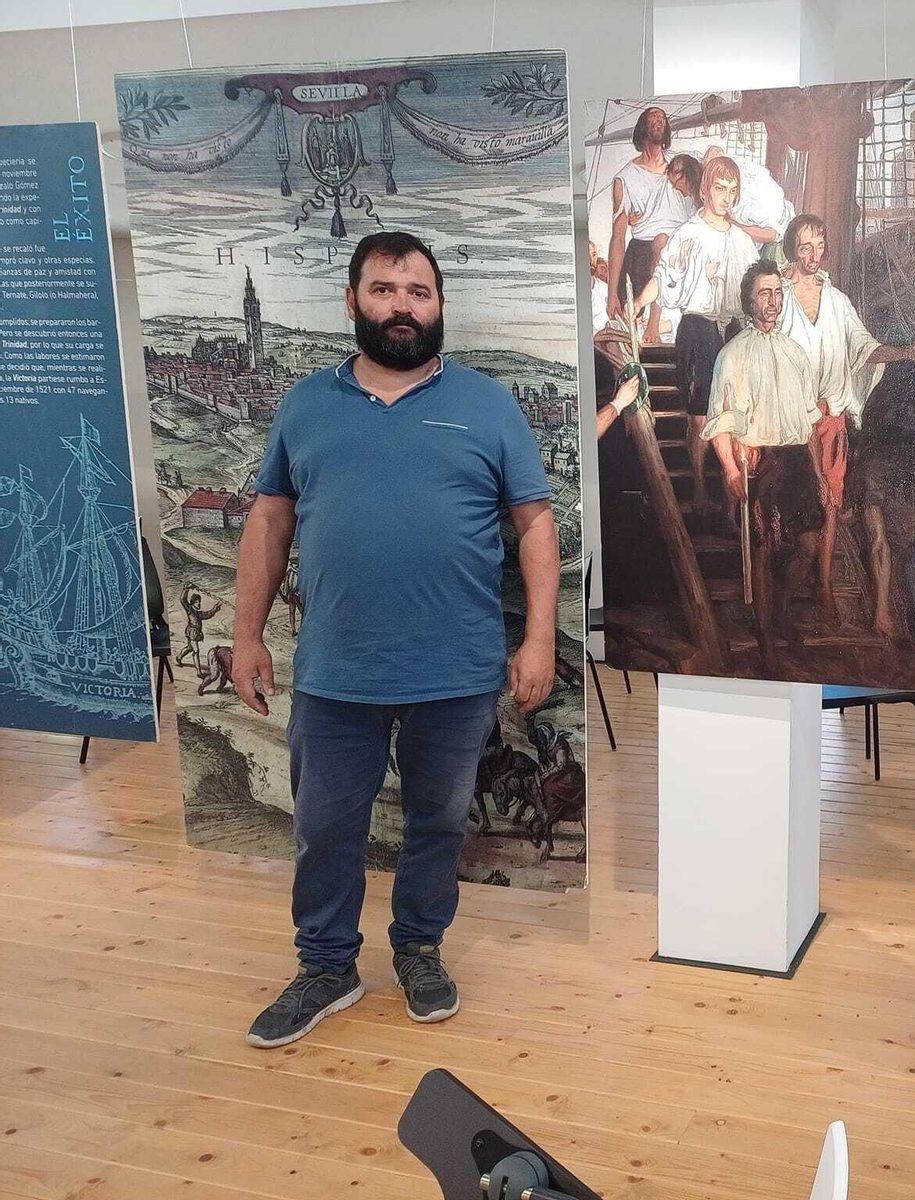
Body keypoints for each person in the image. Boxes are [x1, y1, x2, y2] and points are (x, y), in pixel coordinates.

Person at [232, 231, 561, 1048]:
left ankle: (418, 949)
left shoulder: (488, 403)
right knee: (325, 826)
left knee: (439, 823)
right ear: (354, 302)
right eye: (384, 290)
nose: (402, 307)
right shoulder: (305, 404)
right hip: (337, 668)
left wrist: (541, 639)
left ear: (439, 305)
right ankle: (326, 967)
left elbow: (534, 524)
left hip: (454, 667)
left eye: (418, 292)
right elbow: (270, 519)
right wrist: (246, 636)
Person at [779, 214, 915, 632]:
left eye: (819, 246)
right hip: (791, 424)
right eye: (805, 247)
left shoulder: (837, 300)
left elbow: (863, 347)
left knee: (830, 508)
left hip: (831, 423)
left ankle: (825, 587)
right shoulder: (780, 294)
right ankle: (788, 595)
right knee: (801, 509)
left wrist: (905, 353)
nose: (813, 255)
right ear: (793, 247)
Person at [702, 260, 822, 670]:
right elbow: (720, 423)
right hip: (758, 461)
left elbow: (808, 422)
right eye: (764, 293)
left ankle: (781, 612)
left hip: (797, 460)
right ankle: (766, 636)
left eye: (777, 292)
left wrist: (818, 476)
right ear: (748, 300)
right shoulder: (731, 355)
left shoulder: (796, 352)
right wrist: (732, 472)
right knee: (763, 553)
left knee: (808, 546)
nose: (772, 301)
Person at [633, 156, 760, 512]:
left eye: (732, 191)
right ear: (705, 189)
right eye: (720, 188)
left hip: (734, 329)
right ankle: (701, 487)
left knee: (735, 417)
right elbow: (664, 276)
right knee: (701, 416)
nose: (726, 197)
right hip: (698, 329)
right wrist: (641, 301)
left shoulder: (741, 240)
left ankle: (731, 510)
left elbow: (758, 286)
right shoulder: (688, 233)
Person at [607, 107, 692, 344]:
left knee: (664, 242)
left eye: (663, 118)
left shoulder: (680, 167)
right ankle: (648, 323)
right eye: (653, 117)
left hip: (680, 253)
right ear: (642, 127)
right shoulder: (625, 178)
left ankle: (655, 323)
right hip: (642, 258)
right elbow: (617, 238)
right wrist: (611, 293)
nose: (659, 121)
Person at [175, 584, 222, 668]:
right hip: (192, 631)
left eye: (199, 601)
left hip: (196, 633)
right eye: (196, 602)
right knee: (196, 650)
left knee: (189, 648)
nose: (199, 603)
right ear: (192, 603)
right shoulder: (190, 610)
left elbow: (208, 614)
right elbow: (182, 599)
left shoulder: (199, 613)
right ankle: (198, 672)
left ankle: (179, 657)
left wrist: (214, 609)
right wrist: (186, 589)